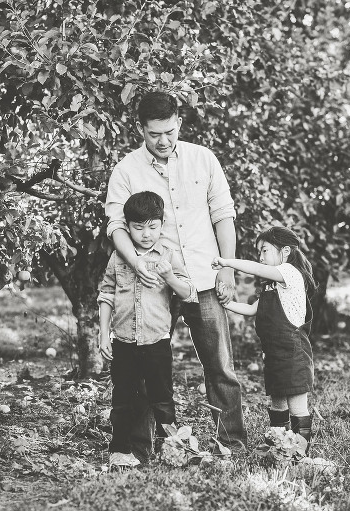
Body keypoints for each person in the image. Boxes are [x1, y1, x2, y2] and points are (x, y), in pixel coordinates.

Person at [105, 91, 247, 460]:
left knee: (220, 366)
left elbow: (223, 215)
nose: (163, 141)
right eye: (154, 134)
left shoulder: (204, 159)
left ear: (179, 123)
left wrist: (227, 268)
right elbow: (116, 226)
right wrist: (136, 263)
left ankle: (230, 443)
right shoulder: (126, 170)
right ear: (140, 129)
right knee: (143, 368)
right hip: (151, 286)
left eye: (169, 131)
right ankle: (144, 448)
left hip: (203, 279)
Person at [97, 191, 197, 469]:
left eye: (152, 227)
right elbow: (106, 295)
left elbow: (188, 291)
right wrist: (103, 333)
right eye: (138, 228)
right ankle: (120, 450)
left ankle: (174, 450)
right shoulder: (119, 258)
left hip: (156, 342)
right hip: (124, 342)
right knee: (123, 399)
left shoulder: (167, 254)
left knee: (162, 398)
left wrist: (168, 276)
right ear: (127, 227)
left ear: (161, 225)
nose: (146, 234)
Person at [211, 226, 317, 447]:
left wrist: (227, 262)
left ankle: (299, 451)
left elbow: (255, 268)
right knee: (278, 403)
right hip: (274, 353)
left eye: (265, 250)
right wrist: (225, 303)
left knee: (297, 406)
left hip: (294, 353)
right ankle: (279, 445)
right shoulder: (272, 286)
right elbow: (251, 310)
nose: (261, 257)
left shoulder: (290, 273)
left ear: (285, 251)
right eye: (259, 253)